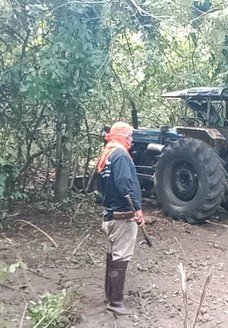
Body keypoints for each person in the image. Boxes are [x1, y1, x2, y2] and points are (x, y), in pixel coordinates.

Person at [96, 122, 145, 315]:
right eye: (130, 136)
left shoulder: (108, 154)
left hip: (109, 214)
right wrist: (137, 209)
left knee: (112, 255)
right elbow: (125, 184)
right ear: (123, 136)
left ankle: (110, 295)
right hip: (122, 216)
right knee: (121, 256)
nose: (132, 140)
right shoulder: (121, 156)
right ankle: (115, 303)